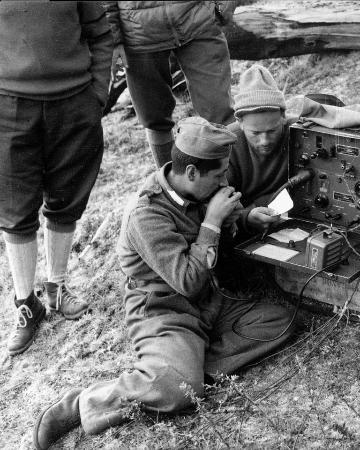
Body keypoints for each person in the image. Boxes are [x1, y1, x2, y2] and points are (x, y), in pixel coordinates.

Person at [33, 117, 294, 449]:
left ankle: (186, 372)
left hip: (210, 300)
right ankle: (85, 404)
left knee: (279, 322)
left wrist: (245, 218)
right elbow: (186, 280)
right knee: (177, 390)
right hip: (164, 309)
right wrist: (212, 220)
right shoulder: (147, 214)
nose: (225, 180)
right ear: (191, 173)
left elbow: (224, 231)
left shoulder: (201, 189)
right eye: (219, 174)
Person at [0, 2, 112, 356]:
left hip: (74, 102)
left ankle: (57, 287)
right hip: (10, 106)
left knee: (66, 198)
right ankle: (25, 304)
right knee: (16, 208)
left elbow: (99, 32)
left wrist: (96, 94)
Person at [103, 1, 236, 168]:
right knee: (154, 118)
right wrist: (113, 39)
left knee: (219, 111)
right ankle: (171, 186)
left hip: (197, 21)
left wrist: (225, 5)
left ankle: (235, 181)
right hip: (138, 35)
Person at [226, 64, 296, 234]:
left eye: (272, 131)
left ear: (283, 117)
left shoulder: (300, 132)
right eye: (255, 133)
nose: (264, 141)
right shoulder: (227, 143)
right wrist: (246, 217)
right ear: (240, 123)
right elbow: (214, 204)